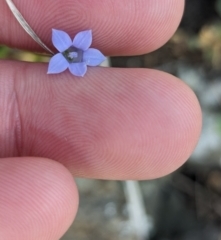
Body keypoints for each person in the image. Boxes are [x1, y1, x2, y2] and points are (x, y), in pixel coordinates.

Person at [0, 0, 202, 239]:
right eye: (69, 53)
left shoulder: (78, 56)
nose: (73, 54)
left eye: (74, 54)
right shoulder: (63, 56)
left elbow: (82, 59)